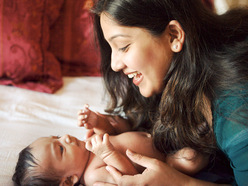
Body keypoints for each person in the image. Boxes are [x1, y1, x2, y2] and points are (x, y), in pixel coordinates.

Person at [86, 0, 248, 185]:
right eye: (111, 48)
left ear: (174, 36)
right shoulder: (175, 83)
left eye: (123, 46)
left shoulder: (237, 112)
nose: (115, 65)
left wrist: (180, 183)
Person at [12, 105, 208, 186]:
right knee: (191, 158)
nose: (66, 138)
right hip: (167, 162)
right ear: (69, 180)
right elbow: (129, 178)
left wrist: (97, 122)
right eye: (61, 149)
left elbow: (114, 132)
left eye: (57, 136)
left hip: (159, 137)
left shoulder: (89, 146)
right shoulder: (93, 176)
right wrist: (108, 154)